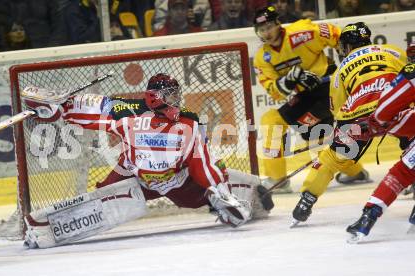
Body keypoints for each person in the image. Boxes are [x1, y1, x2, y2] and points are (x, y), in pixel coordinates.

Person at [23, 73, 265, 248]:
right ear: (156, 97)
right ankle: (45, 229)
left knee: (196, 199)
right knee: (102, 200)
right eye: (171, 94)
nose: (176, 99)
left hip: (175, 181)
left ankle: (225, 200)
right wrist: (58, 108)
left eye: (176, 94)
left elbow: (201, 161)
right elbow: (94, 107)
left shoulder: (189, 122)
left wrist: (220, 190)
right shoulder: (128, 111)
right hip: (132, 174)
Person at [291, 22, 407, 225]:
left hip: (359, 117)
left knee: (333, 158)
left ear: (345, 46)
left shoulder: (341, 69)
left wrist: (340, 135)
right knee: (411, 142)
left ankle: (306, 200)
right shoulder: (393, 51)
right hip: (395, 106)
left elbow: (337, 110)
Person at [253, 6, 342, 195]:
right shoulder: (263, 57)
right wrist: (290, 79)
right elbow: (274, 91)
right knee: (273, 120)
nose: (266, 33)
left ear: (278, 24)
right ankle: (277, 177)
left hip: (329, 89)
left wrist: (347, 65)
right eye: (262, 30)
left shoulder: (302, 32)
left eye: (269, 26)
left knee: (317, 134)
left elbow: (336, 34)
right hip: (305, 96)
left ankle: (352, 170)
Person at [345, 43, 415, 241]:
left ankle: (369, 215)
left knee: (404, 170)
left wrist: (377, 123)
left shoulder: (411, 73)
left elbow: (386, 109)